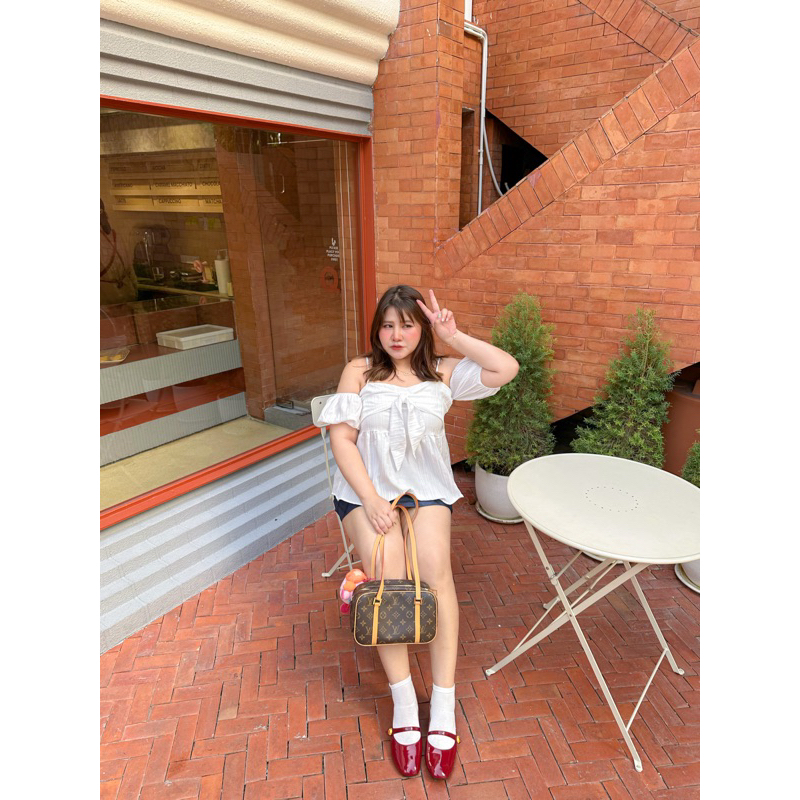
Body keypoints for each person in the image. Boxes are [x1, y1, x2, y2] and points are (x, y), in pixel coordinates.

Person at [318, 285, 519, 780]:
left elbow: (505, 368)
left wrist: (454, 335)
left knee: (435, 573)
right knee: (387, 576)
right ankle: (405, 701)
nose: (396, 335)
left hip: (426, 489)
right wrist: (371, 499)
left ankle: (444, 704)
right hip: (366, 490)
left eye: (407, 325)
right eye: (388, 325)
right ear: (377, 330)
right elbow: (342, 439)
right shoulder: (359, 371)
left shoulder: (442, 371)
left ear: (422, 329)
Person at [100, 198, 138, 306]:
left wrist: (134, 286)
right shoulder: (114, 233)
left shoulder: (115, 233)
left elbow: (128, 264)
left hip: (118, 296)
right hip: (116, 295)